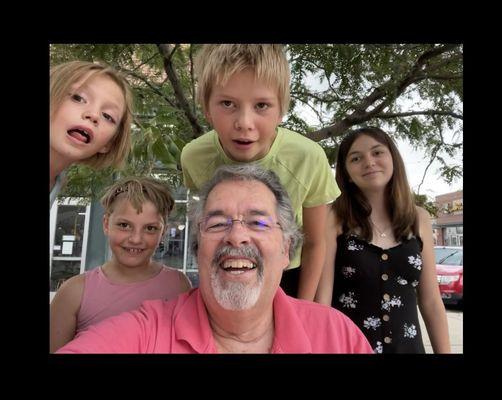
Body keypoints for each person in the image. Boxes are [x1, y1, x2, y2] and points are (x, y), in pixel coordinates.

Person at [57, 164, 373, 353]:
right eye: (218, 223)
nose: (236, 236)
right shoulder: (145, 331)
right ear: (198, 248)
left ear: (286, 248)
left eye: (258, 222)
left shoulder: (338, 336)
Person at [180, 44, 339, 302]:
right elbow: (205, 227)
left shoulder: (309, 157)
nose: (244, 122)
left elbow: (315, 242)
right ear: (207, 108)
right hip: (225, 269)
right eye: (227, 103)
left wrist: (303, 306)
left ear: (281, 110)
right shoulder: (193, 158)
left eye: (262, 105)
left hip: (288, 276)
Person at [315, 127, 451, 353]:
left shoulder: (419, 218)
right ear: (346, 172)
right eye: (356, 158)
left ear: (393, 159)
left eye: (377, 153)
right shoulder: (333, 218)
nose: (369, 162)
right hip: (348, 348)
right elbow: (323, 299)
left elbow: (431, 302)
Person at [50, 176, 192, 353]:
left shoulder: (178, 285)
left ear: (162, 232)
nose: (135, 239)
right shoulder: (74, 292)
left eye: (150, 228)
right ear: (106, 224)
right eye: (124, 225)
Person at [50, 60, 134, 208]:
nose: (94, 115)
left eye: (108, 116)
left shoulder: (56, 181)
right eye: (78, 98)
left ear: (109, 143)